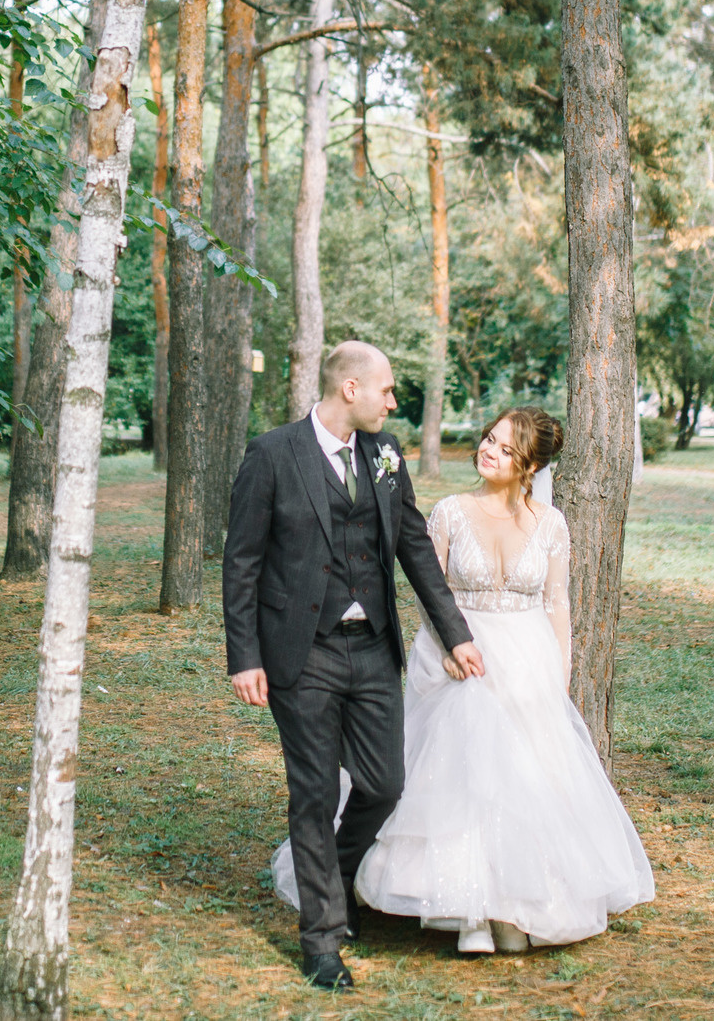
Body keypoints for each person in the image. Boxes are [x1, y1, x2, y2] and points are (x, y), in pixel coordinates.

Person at [288, 407, 656, 955]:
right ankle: (465, 909)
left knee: (524, 781)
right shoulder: (452, 512)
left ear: (528, 466)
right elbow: (426, 588)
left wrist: (557, 676)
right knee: (463, 776)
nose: (489, 450)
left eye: (505, 449)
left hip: (527, 660)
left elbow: (558, 604)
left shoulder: (552, 524)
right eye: (489, 438)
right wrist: (445, 652)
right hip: (464, 652)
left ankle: (516, 906)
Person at [223, 340, 482, 991]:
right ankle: (322, 938)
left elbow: (417, 549)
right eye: (387, 389)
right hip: (300, 651)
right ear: (350, 389)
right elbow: (243, 562)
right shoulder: (273, 454)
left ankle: (336, 879)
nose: (393, 402)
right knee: (312, 793)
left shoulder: (385, 452)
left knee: (384, 783)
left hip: (372, 650)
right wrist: (244, 656)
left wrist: (455, 635)